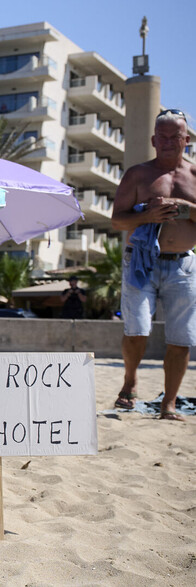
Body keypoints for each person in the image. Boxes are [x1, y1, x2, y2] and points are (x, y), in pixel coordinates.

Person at [110, 109, 196, 422]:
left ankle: (169, 404)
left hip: (183, 266)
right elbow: (117, 219)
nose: (170, 141)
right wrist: (147, 215)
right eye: (164, 136)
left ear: (186, 140)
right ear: (153, 140)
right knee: (137, 330)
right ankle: (130, 380)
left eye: (176, 136)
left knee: (181, 337)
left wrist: (185, 209)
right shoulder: (138, 174)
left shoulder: (195, 176)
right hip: (141, 261)